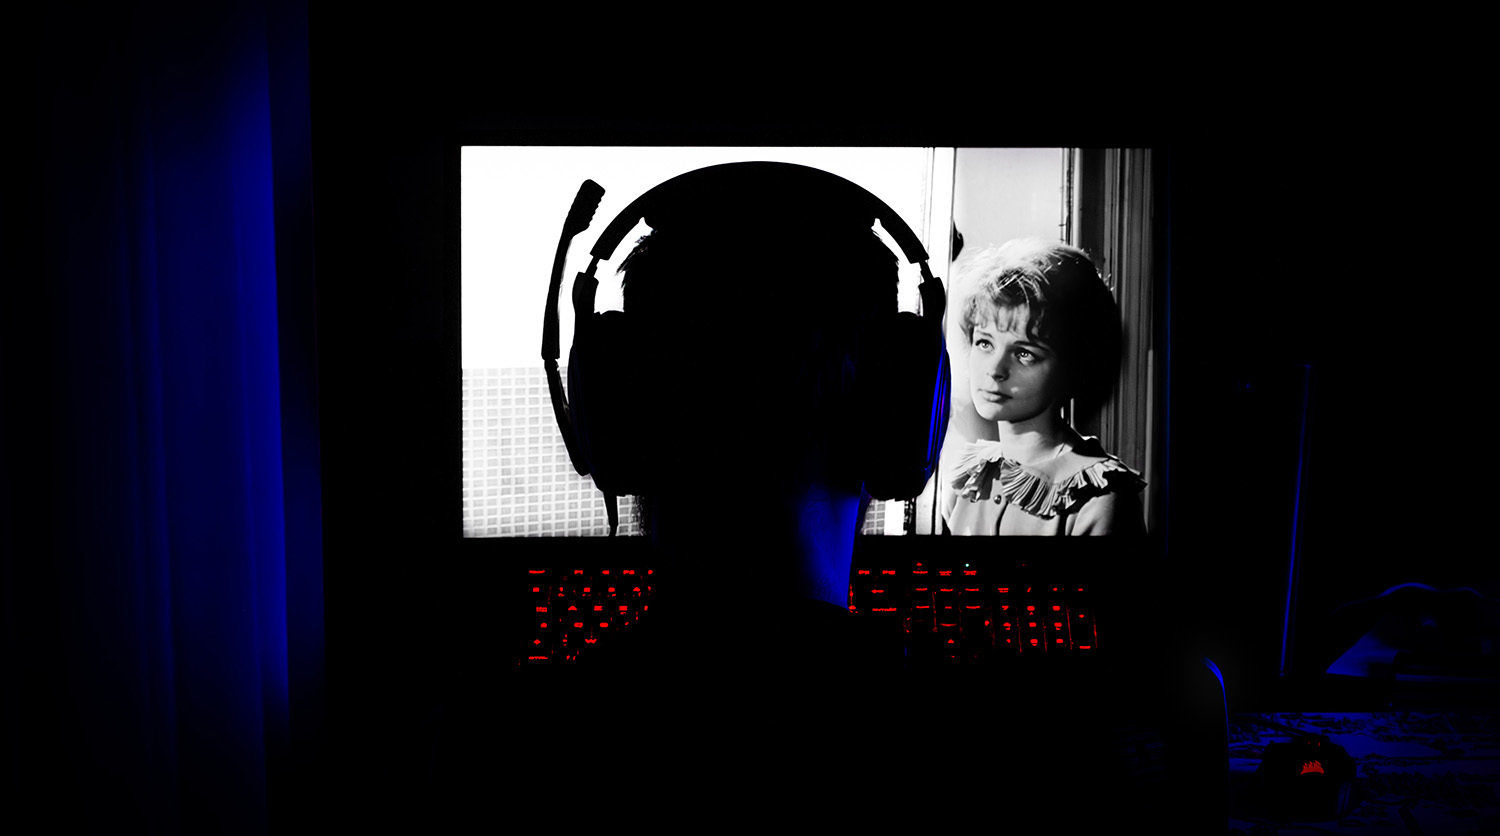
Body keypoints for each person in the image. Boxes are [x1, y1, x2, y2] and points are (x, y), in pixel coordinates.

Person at [941, 238, 1145, 535]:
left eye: (1024, 354)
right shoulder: (969, 479)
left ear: (1074, 366)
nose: (995, 370)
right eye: (984, 343)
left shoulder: (1101, 499)